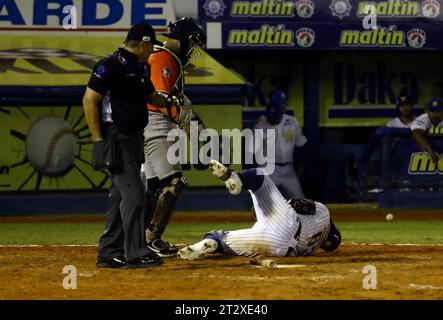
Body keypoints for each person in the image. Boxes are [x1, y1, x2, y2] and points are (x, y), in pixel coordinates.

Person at [83, 22, 174, 269]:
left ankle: (109, 253)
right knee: (135, 194)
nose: (151, 52)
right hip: (117, 137)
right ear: (143, 44)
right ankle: (136, 252)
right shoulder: (110, 65)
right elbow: (89, 100)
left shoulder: (141, 67)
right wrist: (98, 139)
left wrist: (171, 99)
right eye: (150, 47)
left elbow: (150, 96)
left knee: (119, 196)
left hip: (134, 137)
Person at [177, 160, 341, 260]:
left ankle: (237, 179)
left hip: (286, 224)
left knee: (259, 176)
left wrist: (268, 204)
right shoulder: (314, 247)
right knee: (222, 240)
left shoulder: (324, 212)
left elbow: (298, 204)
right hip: (278, 248)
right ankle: (209, 243)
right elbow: (330, 244)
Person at [143, 17, 207, 257]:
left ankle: (140, 238)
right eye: (192, 42)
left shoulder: (159, 55)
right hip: (156, 123)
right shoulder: (164, 58)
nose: (193, 49)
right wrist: (185, 122)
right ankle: (151, 238)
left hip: (150, 123)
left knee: (154, 186)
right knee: (173, 183)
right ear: (184, 38)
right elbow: (159, 98)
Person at [250, 87, 307, 199]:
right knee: (264, 202)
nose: (284, 107)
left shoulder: (292, 121)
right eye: (281, 105)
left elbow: (301, 144)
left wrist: (301, 164)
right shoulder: (261, 123)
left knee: (300, 201)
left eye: (284, 105)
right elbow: (251, 150)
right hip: (269, 169)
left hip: (288, 170)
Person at [411, 98, 443, 163]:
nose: (435, 114)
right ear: (428, 112)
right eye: (432, 111)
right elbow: (416, 134)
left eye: (438, 111)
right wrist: (429, 151)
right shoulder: (423, 118)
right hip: (422, 154)